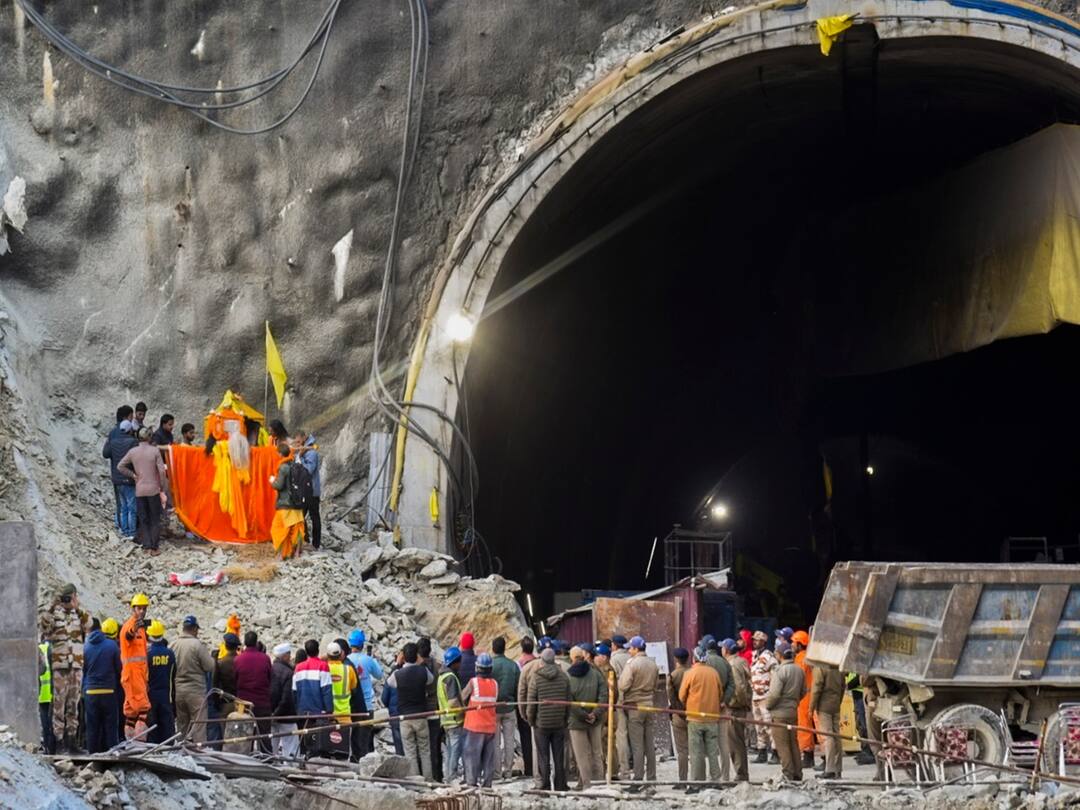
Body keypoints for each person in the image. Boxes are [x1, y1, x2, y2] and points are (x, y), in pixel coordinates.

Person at [38, 583, 93, 754]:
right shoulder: (55, 614)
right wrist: (52, 606)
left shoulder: (79, 615)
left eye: (70, 597)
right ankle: (59, 743)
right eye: (65, 597)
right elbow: (44, 629)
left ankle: (72, 743)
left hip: (76, 665)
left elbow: (89, 625)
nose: (68, 600)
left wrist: (78, 608)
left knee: (73, 706)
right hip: (60, 666)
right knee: (59, 707)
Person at [385, 642, 434, 779]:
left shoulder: (398, 674)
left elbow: (389, 683)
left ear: (404, 657)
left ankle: (416, 780)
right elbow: (431, 680)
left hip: (405, 718)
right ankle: (429, 779)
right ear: (417, 655)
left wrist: (397, 664)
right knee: (425, 751)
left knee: (410, 751)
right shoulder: (423, 671)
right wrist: (421, 663)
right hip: (421, 715)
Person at [117, 428, 167, 554]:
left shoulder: (133, 452)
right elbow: (161, 471)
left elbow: (120, 466)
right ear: (149, 438)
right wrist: (161, 486)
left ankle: (146, 545)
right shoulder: (154, 451)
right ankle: (154, 547)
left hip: (139, 489)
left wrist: (133, 475)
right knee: (155, 518)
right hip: (153, 489)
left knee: (143, 518)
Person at [527, 648, 571, 791]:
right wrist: (565, 719)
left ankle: (544, 784)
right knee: (559, 756)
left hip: (541, 724)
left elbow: (531, 702)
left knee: (543, 756)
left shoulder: (536, 677)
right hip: (559, 723)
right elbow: (568, 701)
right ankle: (560, 784)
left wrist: (531, 720)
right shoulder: (564, 677)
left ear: (542, 661)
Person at [679, 647, 723, 787]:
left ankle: (696, 784)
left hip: (695, 718)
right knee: (712, 752)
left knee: (696, 752)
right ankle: (716, 781)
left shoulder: (690, 673)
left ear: (694, 658)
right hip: (712, 717)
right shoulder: (714, 673)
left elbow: (681, 696)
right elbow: (720, 693)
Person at [619, 635, 659, 783]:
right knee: (649, 744)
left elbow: (623, 685)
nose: (629, 650)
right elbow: (655, 686)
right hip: (649, 705)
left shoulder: (632, 664)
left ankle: (638, 777)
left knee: (637, 745)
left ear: (636, 649)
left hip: (635, 706)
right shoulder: (653, 664)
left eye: (631, 648)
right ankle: (652, 777)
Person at [766, 640, 806, 781]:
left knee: (782, 745)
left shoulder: (780, 671)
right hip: (792, 711)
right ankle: (797, 773)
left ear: (780, 655)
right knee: (793, 743)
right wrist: (793, 702)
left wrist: (768, 705)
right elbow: (803, 691)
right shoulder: (799, 670)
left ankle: (787, 773)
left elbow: (774, 694)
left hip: (779, 713)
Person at [568, 645, 605, 790]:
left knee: (581, 755)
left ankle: (586, 783)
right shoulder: (596, 673)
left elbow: (569, 701)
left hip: (577, 722)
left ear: (572, 658)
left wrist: (583, 715)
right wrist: (594, 714)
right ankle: (600, 782)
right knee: (597, 752)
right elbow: (604, 695)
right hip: (595, 721)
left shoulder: (569, 676)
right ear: (583, 656)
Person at [172, 615, 215, 743]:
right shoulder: (197, 645)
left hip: (179, 691)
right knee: (199, 724)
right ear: (194, 629)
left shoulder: (173, 644)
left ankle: (180, 750)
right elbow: (209, 666)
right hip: (196, 692)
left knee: (182, 725)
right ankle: (199, 752)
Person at [82, 619, 121, 753]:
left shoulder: (85, 647)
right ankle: (111, 755)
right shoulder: (112, 646)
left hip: (90, 692)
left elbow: (83, 670)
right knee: (110, 726)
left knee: (92, 726)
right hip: (108, 690)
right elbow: (119, 669)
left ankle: (93, 756)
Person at [461, 652, 499, 787]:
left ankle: (471, 783)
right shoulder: (495, 684)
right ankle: (487, 785)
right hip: (490, 727)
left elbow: (462, 697)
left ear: (477, 668)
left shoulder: (473, 682)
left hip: (474, 727)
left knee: (472, 757)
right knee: (488, 760)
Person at [518, 636, 550, 787]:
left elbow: (522, 691)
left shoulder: (523, 666)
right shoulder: (555, 665)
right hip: (553, 711)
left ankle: (539, 778)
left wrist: (523, 712)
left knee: (537, 747)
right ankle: (557, 777)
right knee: (556, 747)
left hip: (535, 712)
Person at [293, 639, 333, 757]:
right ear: (318, 650)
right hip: (318, 711)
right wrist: (329, 709)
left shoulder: (298, 667)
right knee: (317, 739)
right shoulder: (323, 666)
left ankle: (303, 758)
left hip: (302, 709)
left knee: (303, 738)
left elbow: (294, 691)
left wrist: (296, 709)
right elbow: (326, 689)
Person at [235, 631, 273, 754]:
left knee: (245, 732)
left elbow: (234, 679)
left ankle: (244, 757)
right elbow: (270, 678)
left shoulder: (238, 659)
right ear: (256, 642)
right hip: (262, 702)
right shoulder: (265, 659)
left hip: (244, 703)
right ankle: (267, 759)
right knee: (264, 734)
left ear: (245, 643)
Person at [120, 593, 152, 740]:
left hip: (138, 675)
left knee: (131, 712)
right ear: (133, 609)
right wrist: (133, 629)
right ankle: (140, 745)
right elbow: (128, 635)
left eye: (144, 608)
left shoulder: (141, 629)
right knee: (143, 709)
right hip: (132, 676)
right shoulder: (130, 626)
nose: (142, 611)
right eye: (139, 608)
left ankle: (131, 743)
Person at [721, 638, 752, 781]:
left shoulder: (732, 665)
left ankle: (741, 774)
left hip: (734, 708)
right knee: (739, 741)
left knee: (735, 743)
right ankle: (742, 773)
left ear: (726, 650)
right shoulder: (741, 661)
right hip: (741, 707)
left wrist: (734, 703)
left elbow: (739, 688)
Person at [347, 629, 382, 756]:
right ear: (362, 645)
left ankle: (355, 761)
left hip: (352, 705)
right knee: (366, 738)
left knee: (354, 738)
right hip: (367, 705)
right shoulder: (367, 660)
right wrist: (374, 660)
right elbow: (379, 675)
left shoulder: (346, 660)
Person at [103, 410, 137, 538]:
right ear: (130, 430)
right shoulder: (133, 442)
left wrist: (108, 440)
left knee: (122, 507)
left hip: (116, 479)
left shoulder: (113, 441)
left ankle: (123, 530)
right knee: (131, 507)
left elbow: (105, 454)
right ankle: (132, 533)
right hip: (129, 478)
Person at [490, 636, 519, 780]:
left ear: (493, 649)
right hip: (510, 707)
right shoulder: (513, 665)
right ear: (504, 648)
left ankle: (496, 772)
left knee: (495, 742)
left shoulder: (490, 665)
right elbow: (518, 686)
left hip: (494, 709)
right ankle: (508, 771)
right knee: (509, 741)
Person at [269, 442, 305, 559]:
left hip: (286, 504)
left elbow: (279, 486)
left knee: (279, 529)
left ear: (280, 453)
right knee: (297, 529)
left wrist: (272, 481)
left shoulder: (283, 467)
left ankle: (282, 554)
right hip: (298, 503)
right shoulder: (296, 464)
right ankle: (297, 553)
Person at [810, 664, 845, 778]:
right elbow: (843, 686)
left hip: (824, 706)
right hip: (835, 704)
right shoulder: (838, 667)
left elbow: (816, 689)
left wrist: (811, 707)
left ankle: (829, 769)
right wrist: (839, 701)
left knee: (827, 736)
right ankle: (838, 769)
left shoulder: (820, 668)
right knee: (836, 736)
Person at [750, 629, 779, 764]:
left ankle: (775, 752)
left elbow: (775, 676)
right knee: (759, 726)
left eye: (757, 640)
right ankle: (761, 752)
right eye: (754, 640)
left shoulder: (769, 656)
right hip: (755, 696)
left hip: (766, 696)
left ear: (763, 642)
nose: (754, 642)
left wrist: (773, 694)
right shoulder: (754, 656)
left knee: (769, 725)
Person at [438, 646, 466, 782]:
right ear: (455, 662)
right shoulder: (451, 678)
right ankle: (452, 776)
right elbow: (453, 702)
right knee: (455, 750)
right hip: (454, 720)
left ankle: (448, 776)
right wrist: (464, 710)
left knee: (449, 750)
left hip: (446, 720)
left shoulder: (441, 676)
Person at [325, 641, 357, 759]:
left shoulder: (324, 668)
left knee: (328, 747)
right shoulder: (348, 670)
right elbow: (354, 687)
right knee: (343, 748)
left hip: (328, 716)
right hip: (344, 714)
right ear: (341, 654)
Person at [146, 621, 176, 743]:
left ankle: (153, 749)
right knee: (167, 725)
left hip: (151, 695)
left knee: (153, 726)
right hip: (166, 695)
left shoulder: (147, 654)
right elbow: (174, 673)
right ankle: (168, 749)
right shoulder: (170, 654)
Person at [417, 637, 443, 780]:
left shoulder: (418, 668)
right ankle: (437, 775)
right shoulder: (437, 665)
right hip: (435, 710)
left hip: (421, 712)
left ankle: (423, 776)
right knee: (434, 746)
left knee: (422, 746)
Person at [213, 632, 241, 749]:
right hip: (240, 702)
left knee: (224, 732)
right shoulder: (240, 661)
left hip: (225, 702)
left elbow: (215, 684)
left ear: (225, 645)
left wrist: (216, 703)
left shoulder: (221, 663)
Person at [269, 643, 298, 760]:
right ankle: (290, 766)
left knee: (272, 743)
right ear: (284, 656)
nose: (290, 657)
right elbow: (286, 698)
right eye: (289, 654)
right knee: (290, 743)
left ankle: (270, 764)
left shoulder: (270, 669)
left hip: (270, 714)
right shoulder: (288, 672)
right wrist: (277, 713)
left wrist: (272, 714)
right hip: (286, 716)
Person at [792, 630, 815, 767]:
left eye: (793, 642)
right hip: (808, 694)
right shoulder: (807, 656)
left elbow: (798, 678)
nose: (791, 645)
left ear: (800, 644)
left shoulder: (801, 659)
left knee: (804, 725)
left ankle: (807, 756)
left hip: (804, 696)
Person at [666, 647, 690, 782]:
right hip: (693, 713)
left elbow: (671, 696)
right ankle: (698, 779)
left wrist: (677, 711)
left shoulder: (673, 675)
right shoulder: (692, 673)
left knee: (682, 751)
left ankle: (683, 779)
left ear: (676, 659)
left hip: (678, 715)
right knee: (695, 750)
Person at [609, 634, 631, 779]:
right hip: (633, 700)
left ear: (614, 645)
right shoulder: (630, 657)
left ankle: (624, 769)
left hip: (620, 701)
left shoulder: (614, 659)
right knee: (633, 736)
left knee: (621, 736)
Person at [515, 636, 536, 780]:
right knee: (538, 737)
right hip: (537, 702)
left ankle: (529, 768)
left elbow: (520, 687)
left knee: (526, 737)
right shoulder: (538, 662)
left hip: (524, 703)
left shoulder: (518, 664)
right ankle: (539, 767)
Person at [296, 434, 322, 550]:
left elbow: (308, 470)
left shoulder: (311, 453)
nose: (297, 443)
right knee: (300, 515)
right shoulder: (305, 450)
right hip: (305, 490)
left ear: (304, 438)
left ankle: (315, 544)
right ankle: (306, 541)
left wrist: (300, 457)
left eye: (298, 440)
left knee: (313, 517)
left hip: (311, 490)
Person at [382, 650, 405, 756]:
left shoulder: (393, 676)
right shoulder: (418, 671)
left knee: (399, 747)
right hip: (412, 715)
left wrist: (396, 666)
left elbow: (384, 698)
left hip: (395, 716)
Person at [38, 639, 55, 754]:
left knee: (44, 724)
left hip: (40, 694)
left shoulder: (39, 648)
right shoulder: (54, 649)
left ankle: (47, 748)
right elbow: (43, 668)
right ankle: (52, 748)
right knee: (52, 723)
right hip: (51, 692)